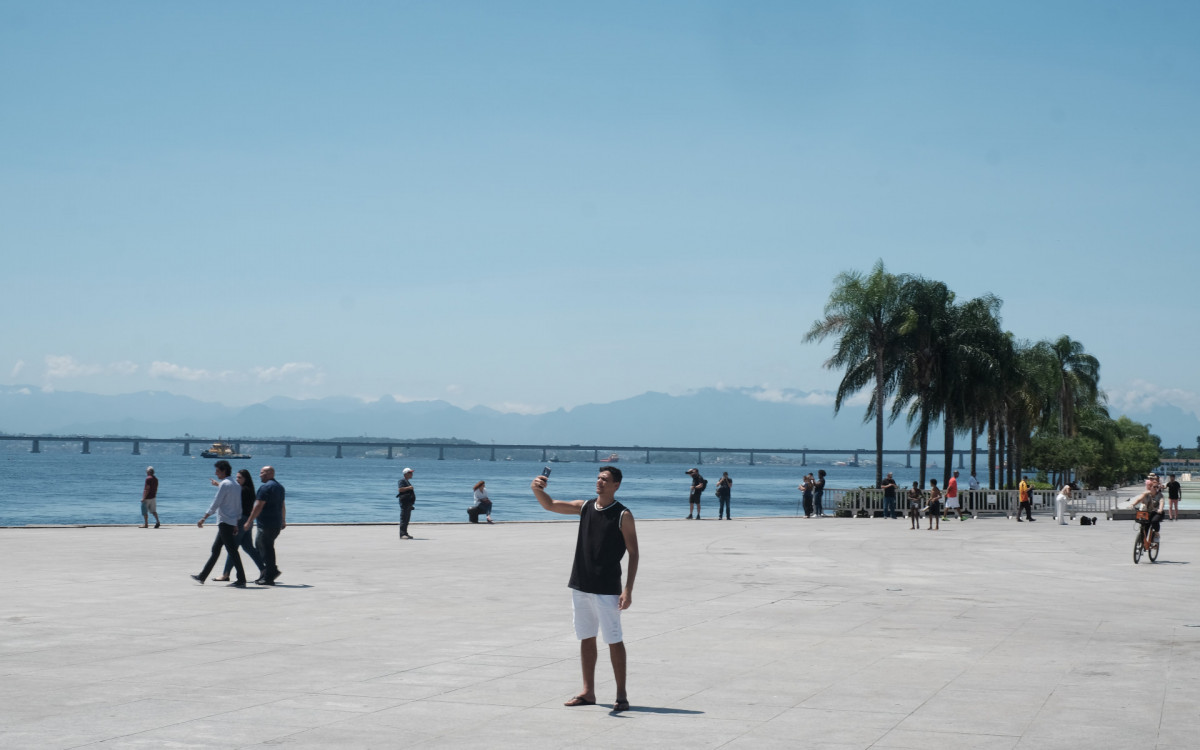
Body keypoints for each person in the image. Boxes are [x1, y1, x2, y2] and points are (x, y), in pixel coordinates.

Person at [531, 465, 639, 713]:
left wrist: (628, 590)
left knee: (614, 639)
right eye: (599, 478)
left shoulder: (623, 515)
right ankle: (588, 691)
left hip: (607, 588)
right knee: (586, 637)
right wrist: (536, 489)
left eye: (605, 479)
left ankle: (621, 695)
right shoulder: (585, 507)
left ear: (616, 485)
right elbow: (550, 504)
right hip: (581, 584)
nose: (599, 482)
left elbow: (633, 553)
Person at [190, 460, 248, 587]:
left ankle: (242, 579)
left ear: (223, 471)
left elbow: (216, 502)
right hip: (230, 522)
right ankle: (202, 576)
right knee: (216, 549)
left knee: (232, 551)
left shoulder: (225, 484)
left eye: (217, 471)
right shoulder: (236, 485)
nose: (216, 473)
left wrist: (204, 517)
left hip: (224, 522)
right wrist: (236, 523)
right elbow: (239, 506)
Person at [213, 469, 264, 582]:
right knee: (248, 547)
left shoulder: (243, 490)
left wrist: (218, 484)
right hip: (247, 521)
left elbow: (231, 492)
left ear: (246, 479)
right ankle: (264, 569)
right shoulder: (248, 489)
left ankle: (225, 574)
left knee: (232, 548)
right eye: (236, 477)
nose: (237, 480)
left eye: (239, 478)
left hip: (241, 521)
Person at [244, 466, 285, 585]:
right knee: (267, 548)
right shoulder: (279, 487)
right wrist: (283, 519)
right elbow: (282, 504)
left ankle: (269, 575)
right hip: (275, 523)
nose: (260, 475)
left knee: (263, 548)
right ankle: (271, 571)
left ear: (269, 474)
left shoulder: (265, 487)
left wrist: (249, 521)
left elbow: (258, 505)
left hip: (266, 524)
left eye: (262, 473)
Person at [396, 468, 415, 539]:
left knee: (407, 518)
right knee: (404, 518)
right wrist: (409, 488)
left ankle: (405, 533)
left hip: (408, 503)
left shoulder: (407, 481)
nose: (412, 474)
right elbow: (400, 489)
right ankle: (402, 534)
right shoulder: (402, 481)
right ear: (406, 474)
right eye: (410, 473)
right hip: (404, 502)